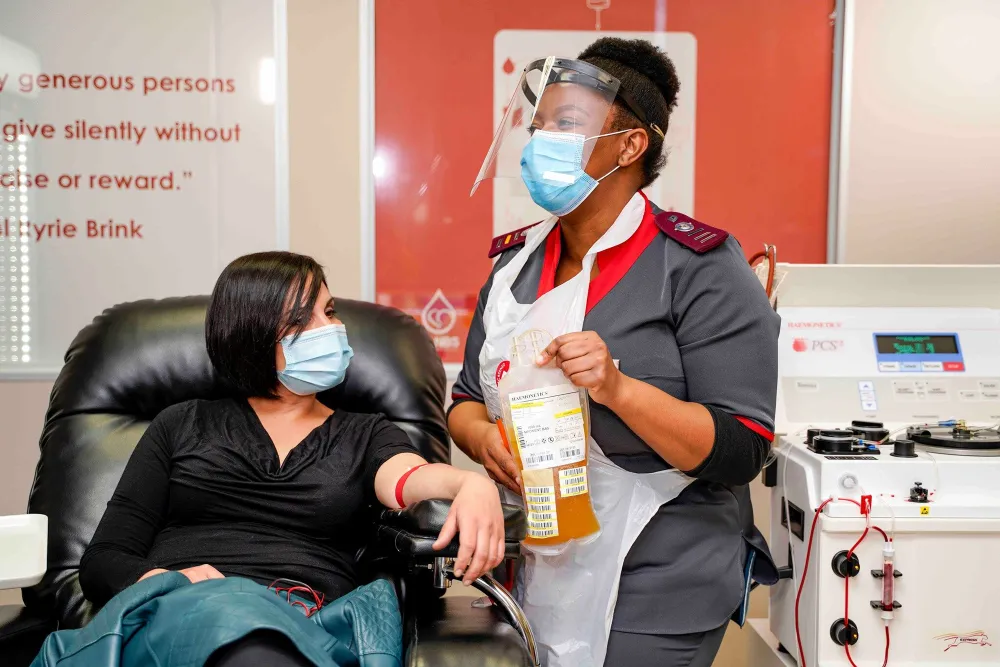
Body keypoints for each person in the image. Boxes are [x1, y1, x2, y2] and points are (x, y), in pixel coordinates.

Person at [450, 38, 780, 667]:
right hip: (535, 559)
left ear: (631, 146)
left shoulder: (699, 267)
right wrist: (484, 439)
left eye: (566, 124)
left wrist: (618, 389)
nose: (541, 140)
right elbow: (466, 400)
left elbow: (743, 447)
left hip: (659, 582)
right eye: (539, 124)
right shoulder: (513, 268)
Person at [69, 251, 505, 666]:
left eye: (329, 312)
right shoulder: (181, 424)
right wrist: (167, 582)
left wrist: (470, 484)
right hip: (181, 617)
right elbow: (105, 560)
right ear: (251, 336)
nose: (328, 329)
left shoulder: (365, 433)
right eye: (301, 321)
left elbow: (409, 478)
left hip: (306, 624)